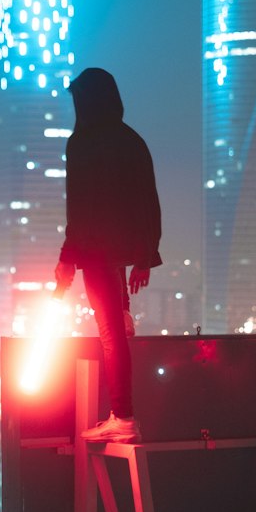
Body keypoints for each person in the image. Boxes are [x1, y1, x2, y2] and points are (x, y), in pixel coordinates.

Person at [53, 67, 161, 443]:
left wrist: (67, 260)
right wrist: (146, 255)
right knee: (118, 325)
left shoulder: (81, 143)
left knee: (110, 334)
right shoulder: (133, 141)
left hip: (97, 248)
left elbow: (79, 210)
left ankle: (124, 417)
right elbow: (149, 200)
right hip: (126, 247)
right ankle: (124, 308)